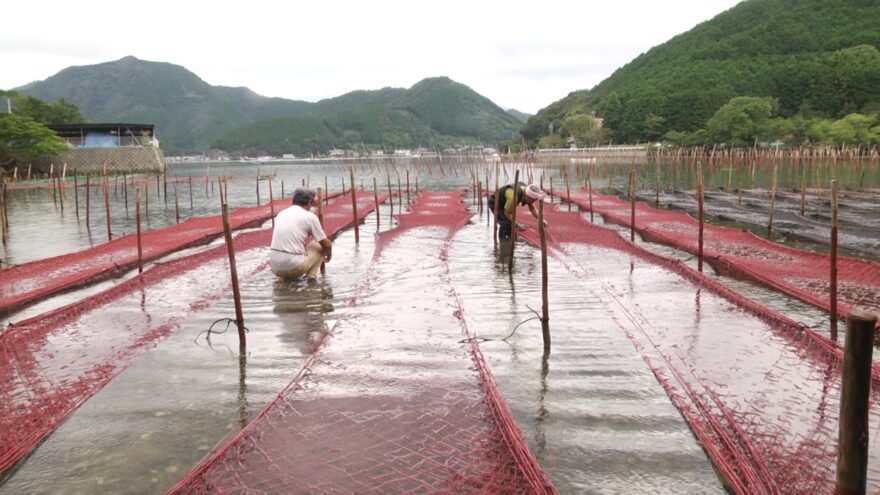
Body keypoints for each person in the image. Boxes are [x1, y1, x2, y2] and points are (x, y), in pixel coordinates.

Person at [269, 187, 332, 280]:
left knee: (294, 251)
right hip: (293, 267)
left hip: (274, 267)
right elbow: (327, 245)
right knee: (317, 244)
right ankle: (311, 279)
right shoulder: (310, 217)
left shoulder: (281, 214)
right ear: (310, 202)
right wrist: (329, 256)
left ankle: (285, 281)